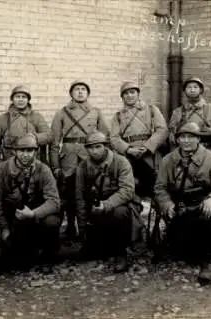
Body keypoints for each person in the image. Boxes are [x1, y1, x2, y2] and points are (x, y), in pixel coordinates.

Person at [154, 123, 211, 285]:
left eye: (191, 137)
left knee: (208, 215)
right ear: (177, 140)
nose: (186, 141)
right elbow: (160, 188)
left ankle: (209, 262)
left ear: (198, 139)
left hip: (204, 204)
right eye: (182, 137)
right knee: (180, 252)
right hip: (180, 206)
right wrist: (166, 204)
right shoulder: (167, 161)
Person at [75, 131, 143, 273]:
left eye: (98, 146)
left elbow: (127, 191)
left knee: (120, 213)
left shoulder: (121, 162)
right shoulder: (82, 167)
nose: (94, 151)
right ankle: (101, 243)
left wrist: (106, 205)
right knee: (90, 252)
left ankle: (121, 252)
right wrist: (82, 228)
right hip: (95, 208)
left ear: (105, 146)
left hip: (120, 205)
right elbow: (80, 197)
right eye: (90, 148)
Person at [0, 134, 61, 273]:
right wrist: (4, 228)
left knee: (52, 222)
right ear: (15, 152)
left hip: (36, 213)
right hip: (13, 215)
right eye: (21, 151)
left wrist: (33, 213)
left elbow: (54, 201)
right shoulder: (2, 169)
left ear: (35, 152)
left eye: (29, 151)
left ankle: (47, 257)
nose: (25, 155)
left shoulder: (43, 169)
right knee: (13, 261)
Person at [50, 80, 109, 240]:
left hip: (89, 155)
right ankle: (70, 225)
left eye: (83, 89)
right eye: (77, 89)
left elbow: (105, 137)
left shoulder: (96, 112)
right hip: (68, 158)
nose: (80, 92)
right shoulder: (62, 113)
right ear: (71, 93)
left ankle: (88, 225)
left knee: (89, 190)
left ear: (88, 93)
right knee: (68, 193)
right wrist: (55, 165)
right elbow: (54, 142)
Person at [110, 81, 168, 198]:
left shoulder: (151, 110)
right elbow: (114, 138)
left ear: (138, 94)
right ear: (122, 97)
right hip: (129, 156)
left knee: (155, 186)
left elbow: (162, 130)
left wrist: (147, 147)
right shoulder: (118, 116)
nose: (129, 96)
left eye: (132, 92)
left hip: (149, 155)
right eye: (126, 93)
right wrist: (128, 149)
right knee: (131, 186)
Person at [0, 85, 50, 162]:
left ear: (28, 100)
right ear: (12, 99)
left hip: (32, 159)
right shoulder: (3, 118)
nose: (21, 100)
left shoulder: (36, 117)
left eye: (24, 97)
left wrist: (35, 137)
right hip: (9, 159)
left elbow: (48, 135)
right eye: (17, 97)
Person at [168, 77, 211, 154]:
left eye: (195, 87)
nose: (192, 90)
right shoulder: (178, 112)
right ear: (185, 91)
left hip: (209, 152)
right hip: (186, 153)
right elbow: (172, 137)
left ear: (201, 90)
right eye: (189, 87)